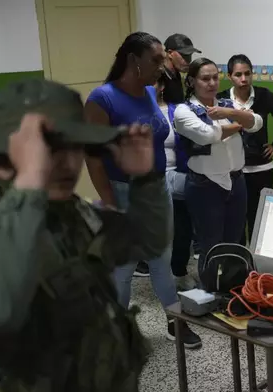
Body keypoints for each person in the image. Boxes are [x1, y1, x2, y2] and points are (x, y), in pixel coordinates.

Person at [0, 79, 165, 391]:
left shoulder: (67, 209)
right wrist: (30, 182)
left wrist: (145, 180)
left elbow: (147, 241)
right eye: (52, 150)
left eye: (76, 147)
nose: (70, 165)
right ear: (15, 149)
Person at [84, 31, 200, 348]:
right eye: (156, 60)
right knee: (123, 268)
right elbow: (93, 161)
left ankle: (175, 324)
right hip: (124, 194)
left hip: (156, 191)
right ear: (133, 60)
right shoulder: (102, 99)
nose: (162, 66)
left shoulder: (149, 92)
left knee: (160, 262)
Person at [173, 58, 263, 275]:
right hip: (206, 186)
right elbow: (207, 135)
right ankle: (210, 293)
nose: (212, 83)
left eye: (215, 77)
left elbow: (257, 122)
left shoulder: (225, 105)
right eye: (205, 79)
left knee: (234, 243)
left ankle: (230, 291)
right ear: (192, 81)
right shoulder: (184, 111)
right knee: (211, 246)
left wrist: (231, 114)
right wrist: (239, 123)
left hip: (236, 181)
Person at [218, 54, 273, 245]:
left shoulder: (264, 95)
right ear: (229, 76)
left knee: (260, 219)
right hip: (232, 171)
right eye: (238, 74)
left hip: (260, 169)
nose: (243, 79)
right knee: (235, 220)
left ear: (252, 74)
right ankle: (238, 263)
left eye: (247, 73)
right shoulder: (221, 100)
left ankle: (258, 265)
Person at [156, 77, 197, 291]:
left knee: (182, 228)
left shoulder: (176, 110)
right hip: (148, 180)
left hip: (176, 174)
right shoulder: (133, 112)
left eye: (152, 82)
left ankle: (179, 271)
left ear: (162, 86)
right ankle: (160, 277)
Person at [159, 33, 200, 104]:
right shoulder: (158, 76)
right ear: (170, 53)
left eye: (190, 55)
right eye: (184, 55)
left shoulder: (176, 75)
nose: (189, 60)